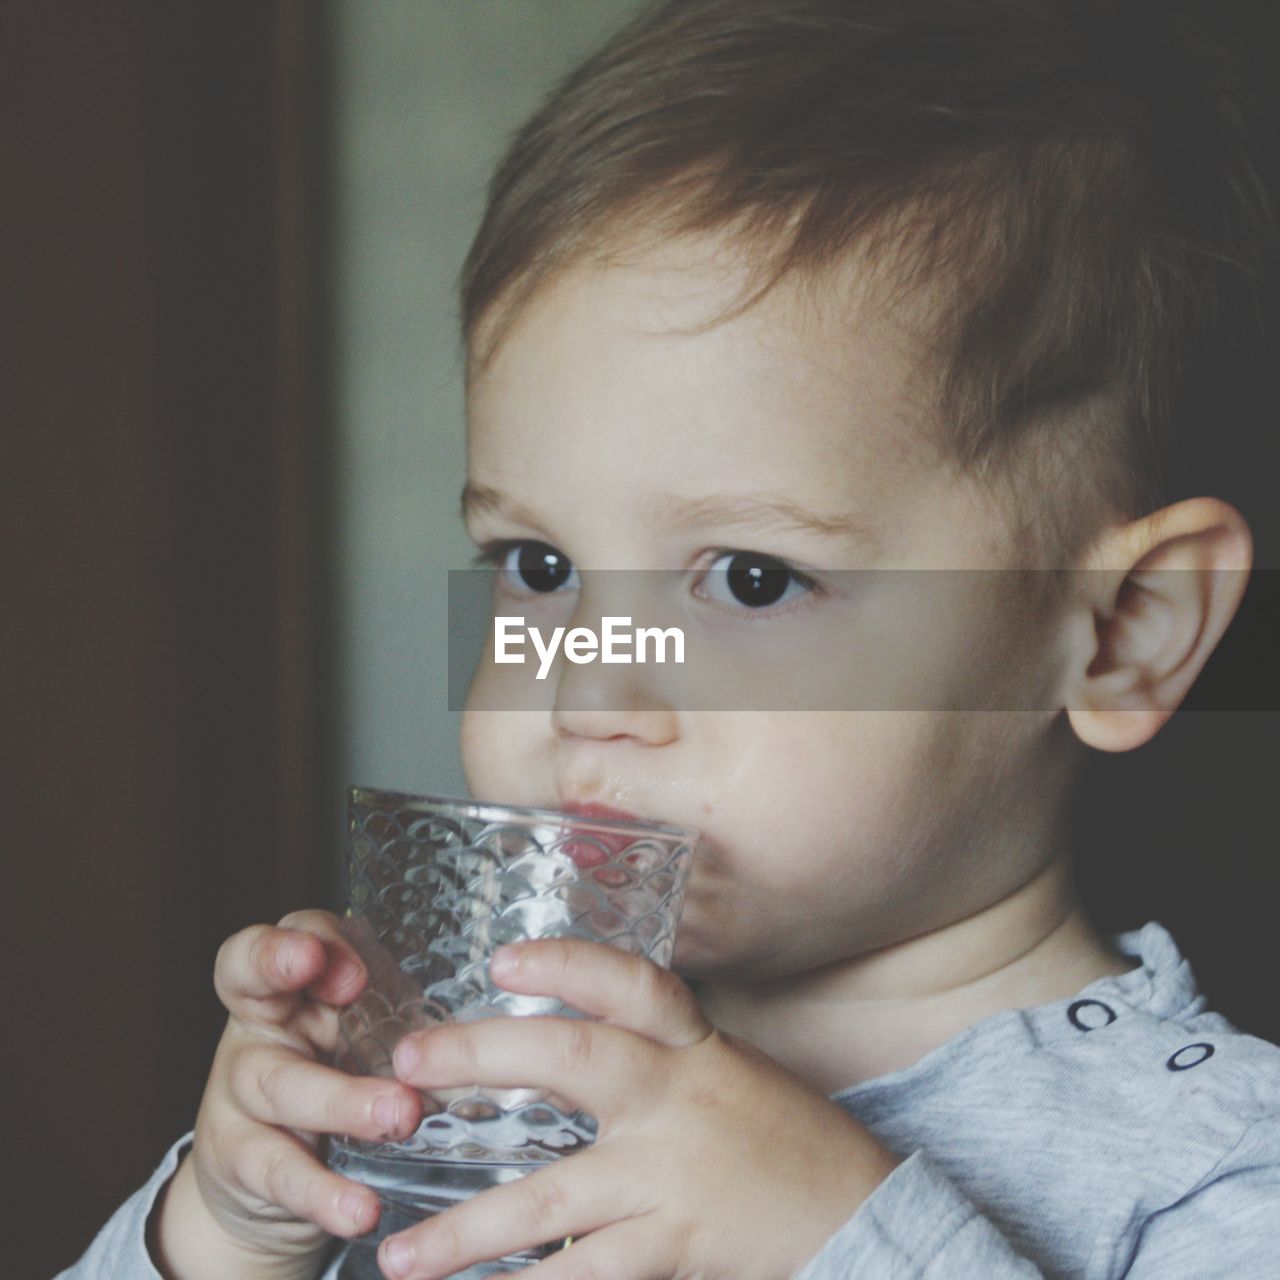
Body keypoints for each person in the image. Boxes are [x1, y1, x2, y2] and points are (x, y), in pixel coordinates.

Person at [64, 1, 1280, 1277]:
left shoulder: (1213, 1163)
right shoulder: (476, 1091)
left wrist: (846, 1241)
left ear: (1122, 631)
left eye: (750, 579)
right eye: (537, 566)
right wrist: (226, 1225)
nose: (585, 685)